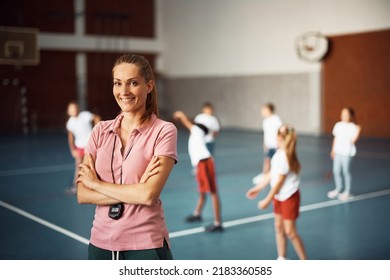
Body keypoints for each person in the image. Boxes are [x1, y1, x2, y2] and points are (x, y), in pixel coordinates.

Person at [76, 54, 178, 260]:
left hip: (145, 245)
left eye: (132, 83)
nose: (124, 91)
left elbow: (148, 195)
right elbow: (82, 194)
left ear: (148, 86)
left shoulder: (164, 131)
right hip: (100, 244)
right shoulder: (99, 131)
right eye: (118, 83)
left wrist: (95, 183)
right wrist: (136, 189)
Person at [246, 124, 307, 260]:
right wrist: (258, 188)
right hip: (279, 197)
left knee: (290, 232)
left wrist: (266, 200)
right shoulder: (278, 155)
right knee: (278, 227)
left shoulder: (285, 157)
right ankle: (282, 258)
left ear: (281, 138)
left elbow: (279, 183)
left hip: (289, 197)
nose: (275, 138)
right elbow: (271, 174)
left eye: (277, 135)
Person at [173, 110, 223, 232]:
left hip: (205, 163)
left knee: (212, 192)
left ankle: (218, 223)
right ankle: (197, 214)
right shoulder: (197, 133)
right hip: (201, 163)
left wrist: (180, 114)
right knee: (201, 191)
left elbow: (186, 122)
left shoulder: (196, 130)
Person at [65, 101, 100, 195]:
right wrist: (73, 150)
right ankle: (75, 186)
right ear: (68, 112)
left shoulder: (85, 115)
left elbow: (97, 118)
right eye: (71, 109)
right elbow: (70, 137)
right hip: (79, 147)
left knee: (92, 165)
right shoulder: (70, 123)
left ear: (78, 108)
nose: (74, 110)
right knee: (78, 166)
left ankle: (95, 185)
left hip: (89, 146)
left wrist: (95, 131)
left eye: (75, 108)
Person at [327, 107, 362, 201]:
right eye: (342, 114)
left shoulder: (353, 127)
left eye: (346, 114)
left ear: (350, 116)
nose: (344, 116)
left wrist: (359, 131)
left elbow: (353, 141)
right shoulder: (338, 125)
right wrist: (333, 150)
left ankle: (347, 191)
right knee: (336, 171)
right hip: (338, 152)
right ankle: (338, 188)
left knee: (346, 172)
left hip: (347, 153)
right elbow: (336, 138)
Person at [252, 103, 282, 184]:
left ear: (270, 110)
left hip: (275, 145)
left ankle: (276, 176)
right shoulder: (265, 121)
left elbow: (280, 132)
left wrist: (279, 144)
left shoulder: (276, 119)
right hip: (269, 145)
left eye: (264, 110)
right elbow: (266, 133)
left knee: (276, 161)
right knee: (267, 160)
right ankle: (264, 175)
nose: (262, 112)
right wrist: (265, 143)